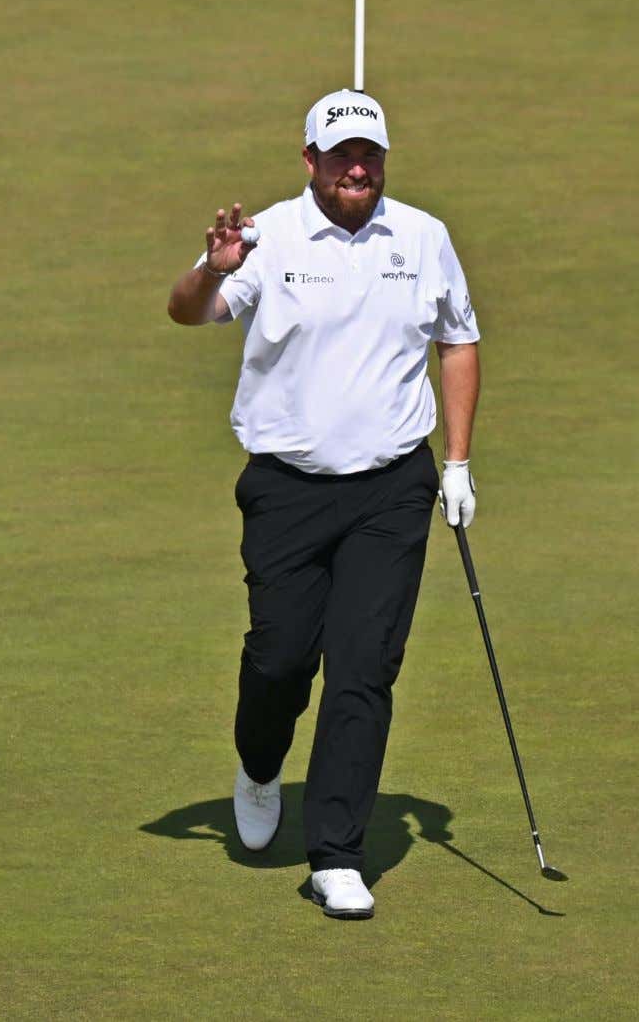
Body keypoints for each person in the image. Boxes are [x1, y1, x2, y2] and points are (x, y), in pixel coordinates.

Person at [166, 88, 480, 920]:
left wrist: (455, 463)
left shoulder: (422, 237)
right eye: (341, 155)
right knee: (279, 660)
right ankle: (261, 764)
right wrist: (212, 270)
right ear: (309, 160)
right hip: (287, 491)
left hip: (389, 488)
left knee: (364, 666)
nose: (356, 168)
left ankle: (337, 853)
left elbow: (458, 337)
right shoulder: (264, 237)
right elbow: (186, 311)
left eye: (369, 155)